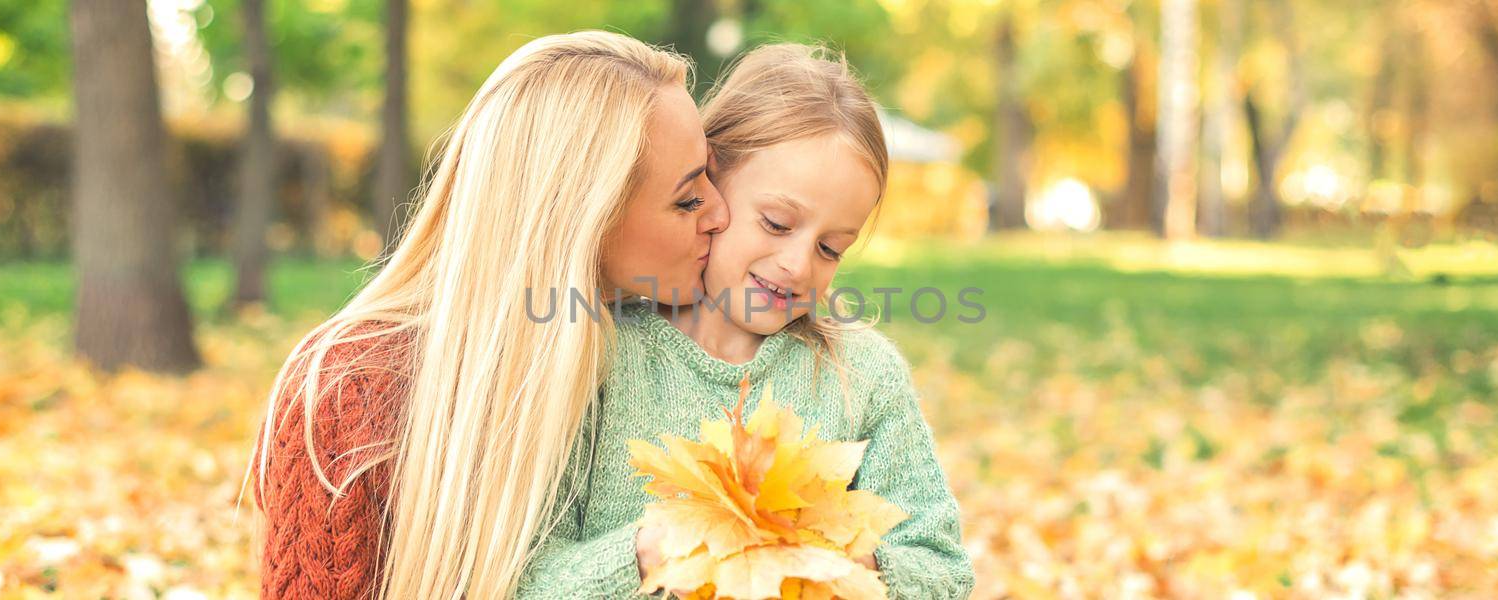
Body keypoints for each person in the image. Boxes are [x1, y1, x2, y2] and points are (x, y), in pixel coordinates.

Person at [246, 30, 728, 599]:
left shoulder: (657, 356)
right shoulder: (348, 392)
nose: (721, 214)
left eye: (712, 180)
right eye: (688, 199)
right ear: (578, 220)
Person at [515, 44, 975, 599]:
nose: (798, 264)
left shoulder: (863, 376)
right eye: (778, 224)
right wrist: (643, 556)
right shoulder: (600, 355)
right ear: (706, 187)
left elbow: (946, 573)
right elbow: (524, 579)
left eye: (831, 248)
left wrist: (847, 559)